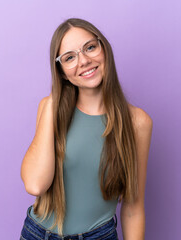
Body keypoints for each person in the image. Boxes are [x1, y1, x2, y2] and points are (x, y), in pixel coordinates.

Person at [20, 18, 152, 240]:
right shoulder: (49, 108)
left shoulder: (138, 122)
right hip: (37, 234)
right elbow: (35, 184)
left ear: (104, 49)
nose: (83, 61)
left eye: (90, 47)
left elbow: (133, 208)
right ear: (61, 72)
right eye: (70, 57)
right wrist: (54, 100)